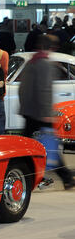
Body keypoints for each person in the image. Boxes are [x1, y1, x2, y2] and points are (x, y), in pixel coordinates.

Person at [18, 34, 75, 189]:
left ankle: (63, 177)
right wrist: (47, 113)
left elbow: (23, 88)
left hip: (29, 111)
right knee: (50, 146)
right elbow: (44, 90)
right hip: (40, 113)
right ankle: (66, 177)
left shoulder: (32, 61)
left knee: (31, 145)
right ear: (51, 48)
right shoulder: (44, 64)